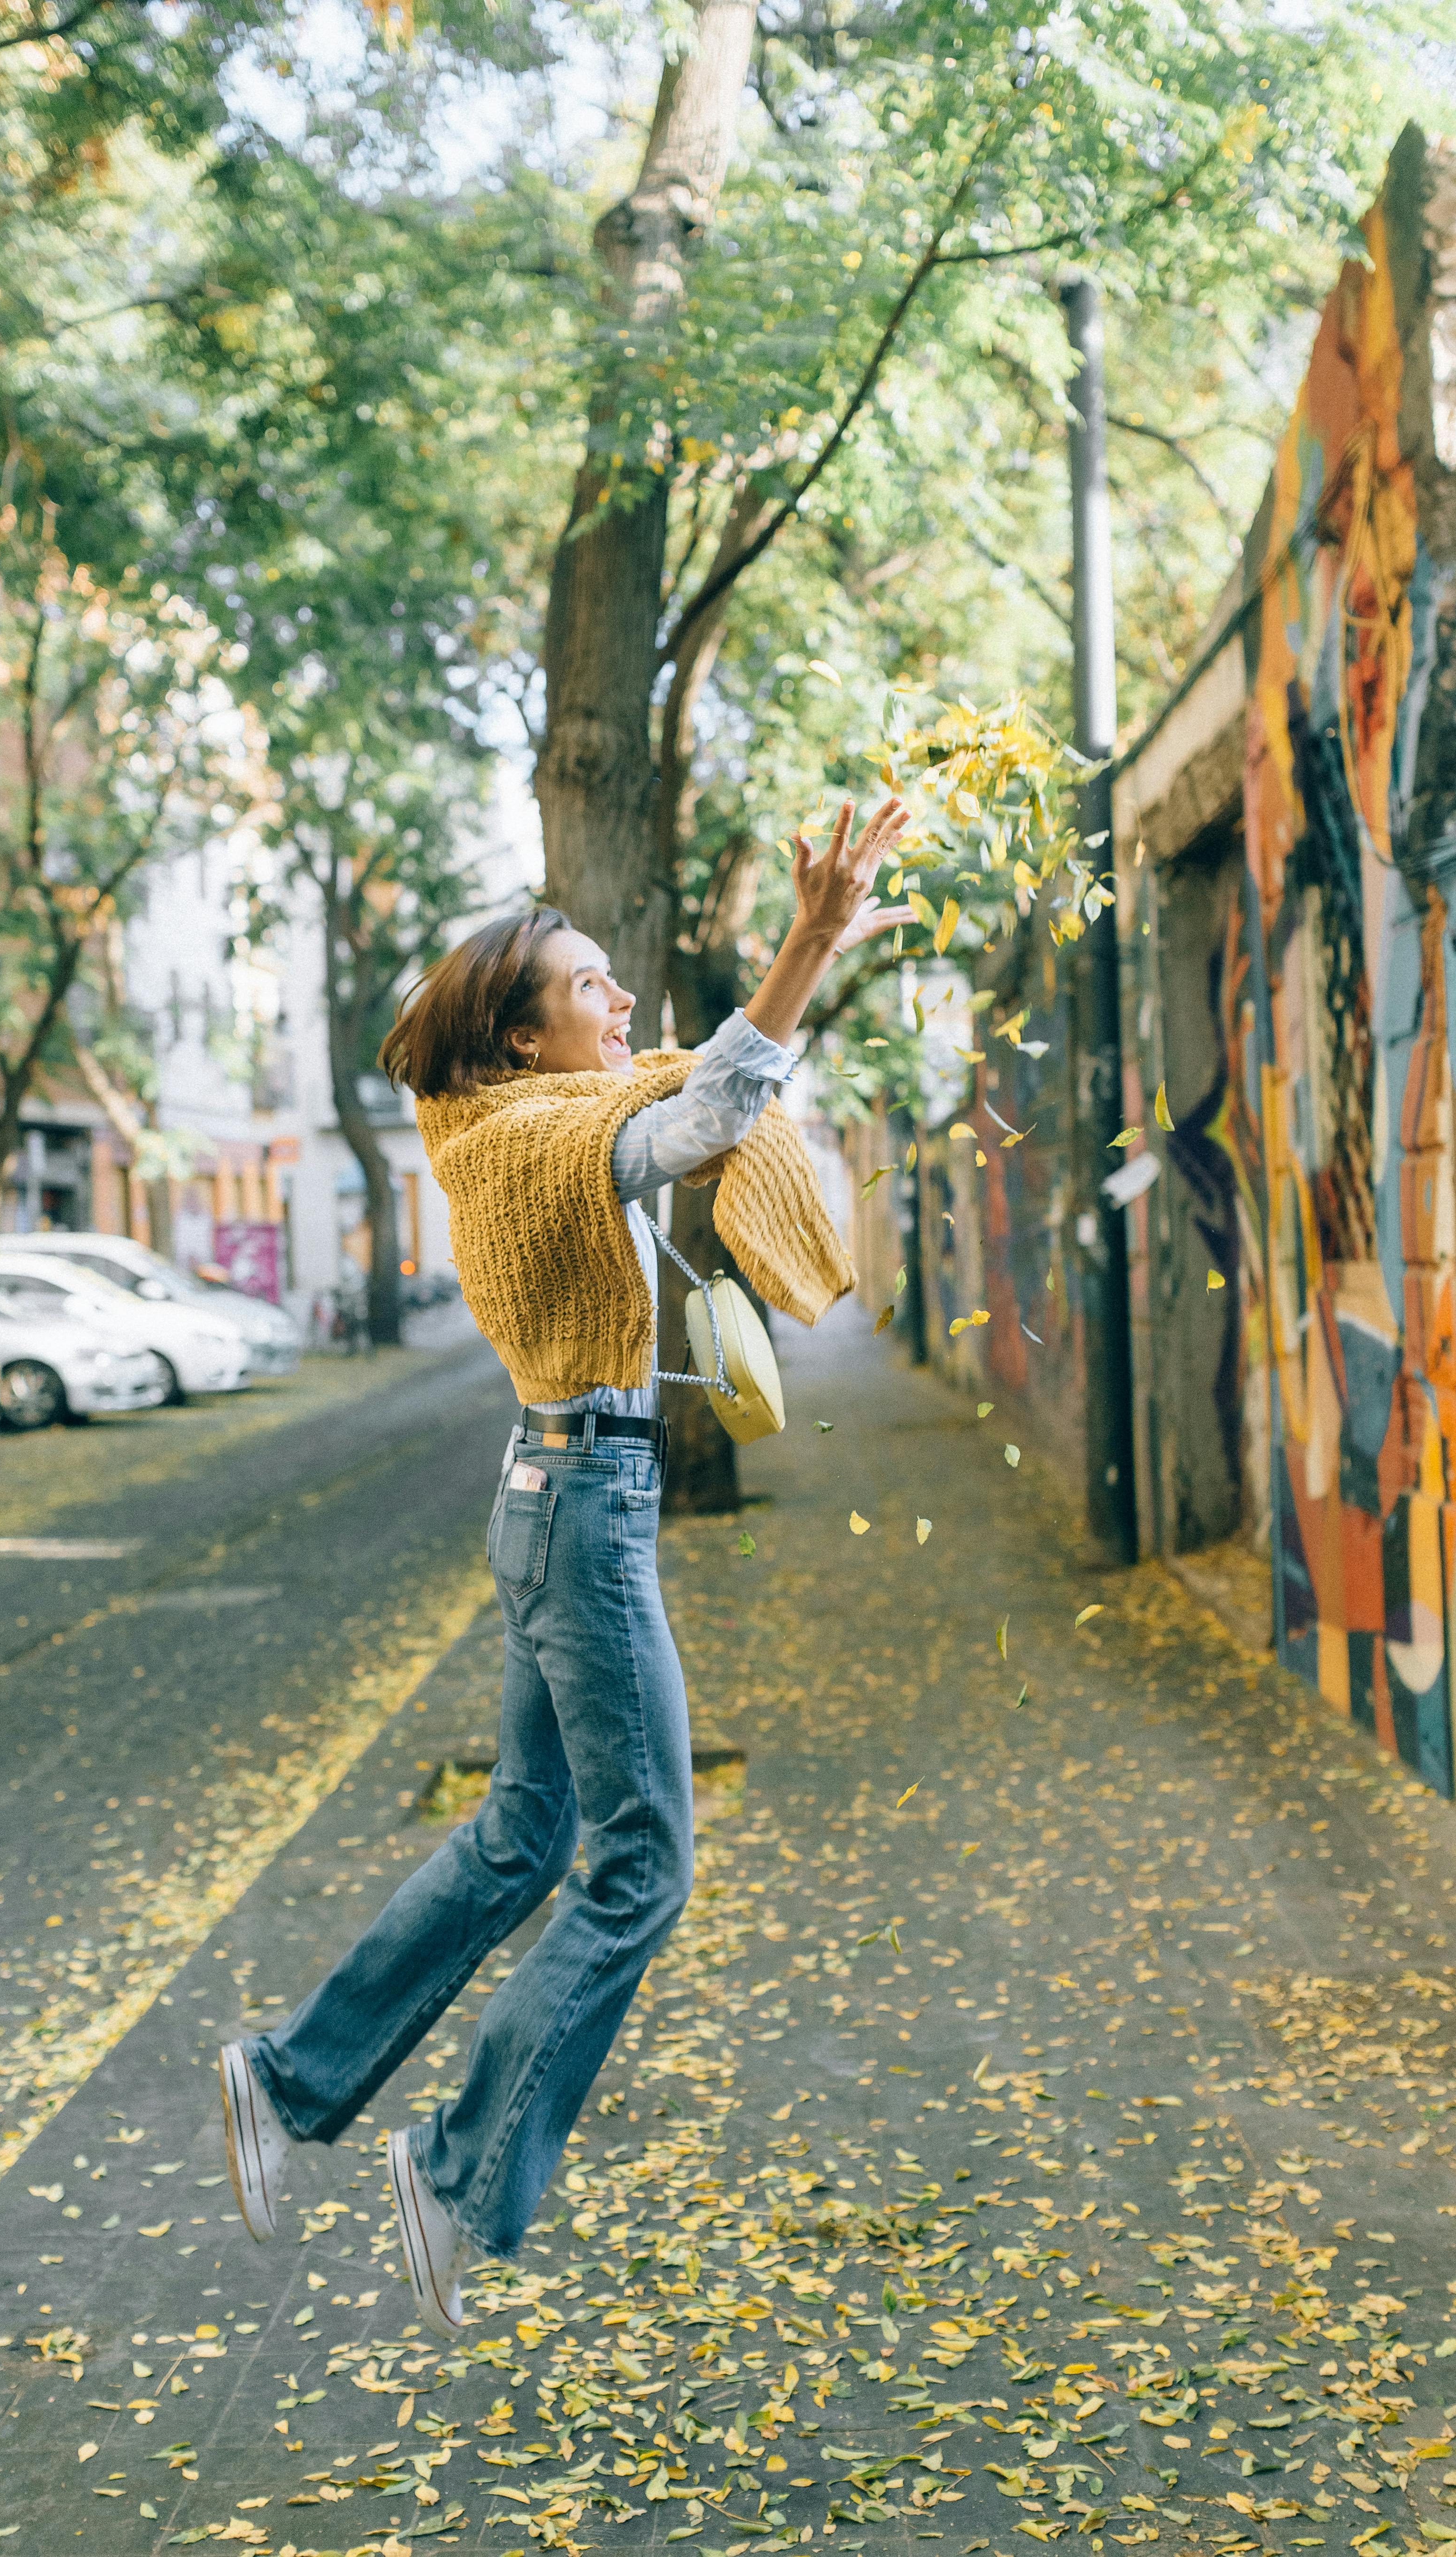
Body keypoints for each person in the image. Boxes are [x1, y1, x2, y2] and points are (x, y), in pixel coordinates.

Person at [218, 795, 910, 2330]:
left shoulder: (527, 1126)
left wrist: (779, 988)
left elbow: (696, 1091)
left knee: (524, 1836)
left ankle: (290, 2079)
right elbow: (707, 1117)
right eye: (590, 985)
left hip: (560, 1499)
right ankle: (457, 2168)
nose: (622, 1000)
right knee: (641, 1864)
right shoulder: (536, 1143)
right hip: (578, 1512)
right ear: (523, 1040)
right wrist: (806, 942)